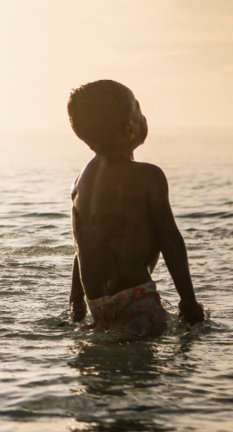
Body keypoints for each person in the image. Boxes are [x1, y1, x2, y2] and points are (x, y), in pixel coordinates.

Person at [66, 80, 205, 339]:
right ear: (130, 128)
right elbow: (170, 238)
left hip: (97, 305)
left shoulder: (79, 182)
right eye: (138, 109)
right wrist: (188, 300)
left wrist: (76, 304)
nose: (144, 116)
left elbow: (82, 244)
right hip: (137, 299)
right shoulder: (148, 176)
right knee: (145, 374)